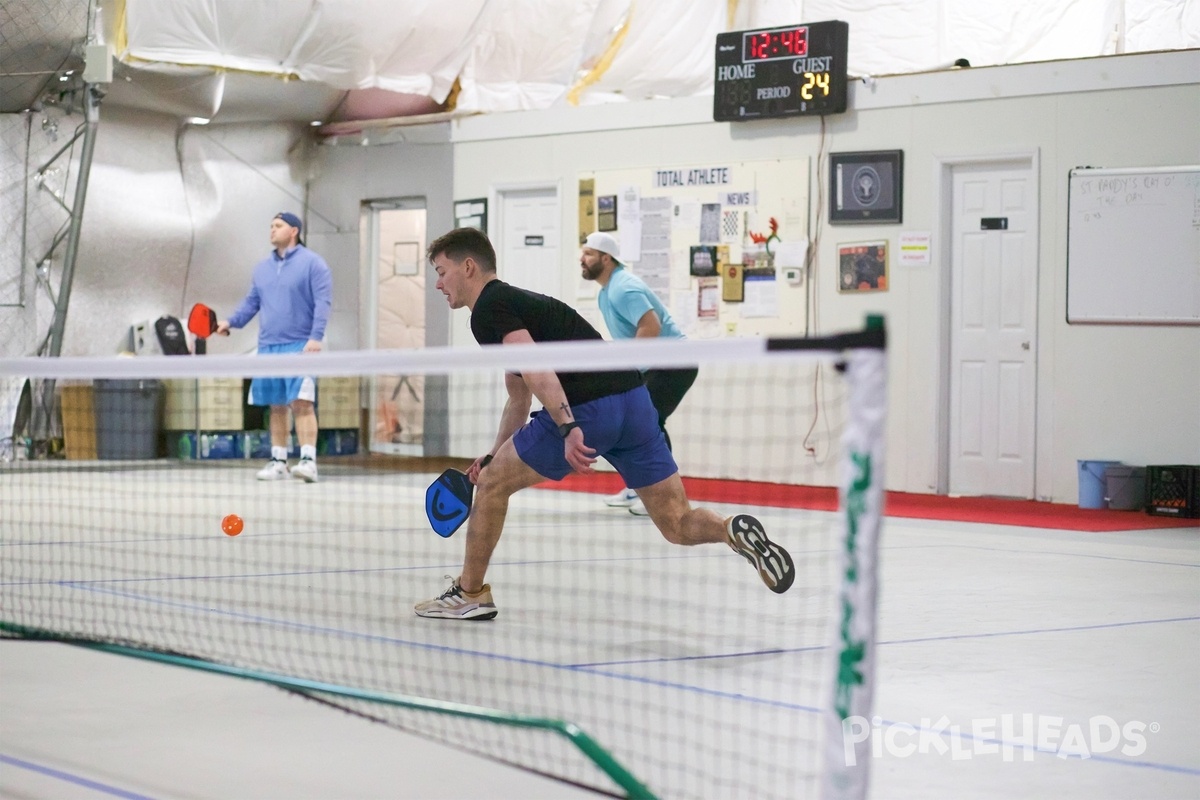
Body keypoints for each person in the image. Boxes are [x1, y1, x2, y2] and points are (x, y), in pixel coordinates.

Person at [414, 227, 793, 621]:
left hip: (587, 409)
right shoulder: (520, 303)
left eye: (442, 272)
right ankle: (730, 529)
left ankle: (470, 593)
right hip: (635, 402)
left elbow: (537, 369)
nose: (439, 284)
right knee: (677, 522)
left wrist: (566, 427)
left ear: (469, 267)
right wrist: (494, 454)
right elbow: (519, 395)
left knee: (491, 488)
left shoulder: (489, 308)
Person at [580, 231, 697, 517]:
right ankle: (641, 489)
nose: (582, 259)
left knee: (650, 422)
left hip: (674, 361)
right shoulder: (607, 291)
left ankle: (664, 499)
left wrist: (628, 365)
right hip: (654, 364)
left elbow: (651, 326)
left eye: (589, 254)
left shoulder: (624, 288)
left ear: (606, 259)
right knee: (637, 424)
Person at [216, 212, 332, 483]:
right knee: (276, 406)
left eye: (277, 226)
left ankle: (308, 461)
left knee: (302, 403)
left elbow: (323, 302)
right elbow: (251, 302)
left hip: (301, 345)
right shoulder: (262, 268)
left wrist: (316, 337)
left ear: (294, 231)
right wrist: (230, 322)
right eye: (270, 225)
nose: (272, 230)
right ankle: (278, 460)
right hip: (268, 347)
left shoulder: (314, 264)